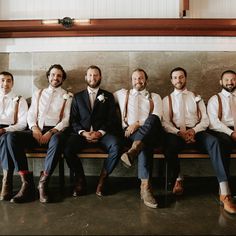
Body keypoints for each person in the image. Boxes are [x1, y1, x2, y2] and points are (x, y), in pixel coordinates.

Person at [162, 67, 235, 213]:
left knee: (214, 142)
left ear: (186, 78)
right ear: (171, 80)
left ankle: (225, 192)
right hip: (176, 133)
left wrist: (193, 131)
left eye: (181, 77)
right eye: (175, 77)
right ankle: (178, 177)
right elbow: (165, 123)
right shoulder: (166, 100)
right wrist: (179, 132)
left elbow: (206, 119)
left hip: (197, 131)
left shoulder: (196, 97)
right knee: (169, 147)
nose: (178, 80)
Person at [6, 64, 72, 203]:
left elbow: (66, 120)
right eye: (53, 74)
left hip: (54, 132)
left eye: (59, 75)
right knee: (11, 137)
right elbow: (31, 114)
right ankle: (27, 184)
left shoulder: (68, 96)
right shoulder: (38, 93)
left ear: (62, 79)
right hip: (36, 131)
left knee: (58, 139)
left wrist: (51, 132)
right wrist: (34, 128)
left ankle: (43, 183)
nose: (56, 78)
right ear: (48, 76)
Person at [64, 65, 122, 197]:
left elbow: (112, 119)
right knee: (67, 148)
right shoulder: (77, 97)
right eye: (90, 75)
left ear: (100, 77)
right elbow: (73, 120)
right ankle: (80, 180)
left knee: (117, 146)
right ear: (86, 77)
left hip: (103, 135)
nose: (93, 78)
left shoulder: (108, 96)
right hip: (82, 135)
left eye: (96, 75)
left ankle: (103, 180)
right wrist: (83, 133)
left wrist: (100, 132)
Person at [114, 68, 163, 209]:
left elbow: (158, 116)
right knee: (144, 144)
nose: (138, 81)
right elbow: (102, 99)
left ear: (146, 80)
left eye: (141, 78)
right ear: (131, 80)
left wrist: (137, 123)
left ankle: (132, 152)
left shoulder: (155, 96)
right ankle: (145, 188)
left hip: (152, 132)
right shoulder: (122, 94)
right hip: (129, 134)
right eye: (135, 78)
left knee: (153, 118)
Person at [207, 69, 236, 214]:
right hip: (222, 131)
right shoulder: (215, 99)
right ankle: (225, 192)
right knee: (223, 144)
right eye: (226, 80)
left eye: (233, 80)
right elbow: (213, 122)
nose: (230, 82)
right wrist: (231, 132)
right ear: (221, 82)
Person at [0, 71, 28, 201]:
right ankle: (7, 183)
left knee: (6, 139)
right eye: (2, 80)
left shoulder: (19, 99)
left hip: (10, 129)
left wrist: (5, 129)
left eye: (8, 80)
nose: (5, 83)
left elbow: (22, 124)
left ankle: (6, 182)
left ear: (13, 83)